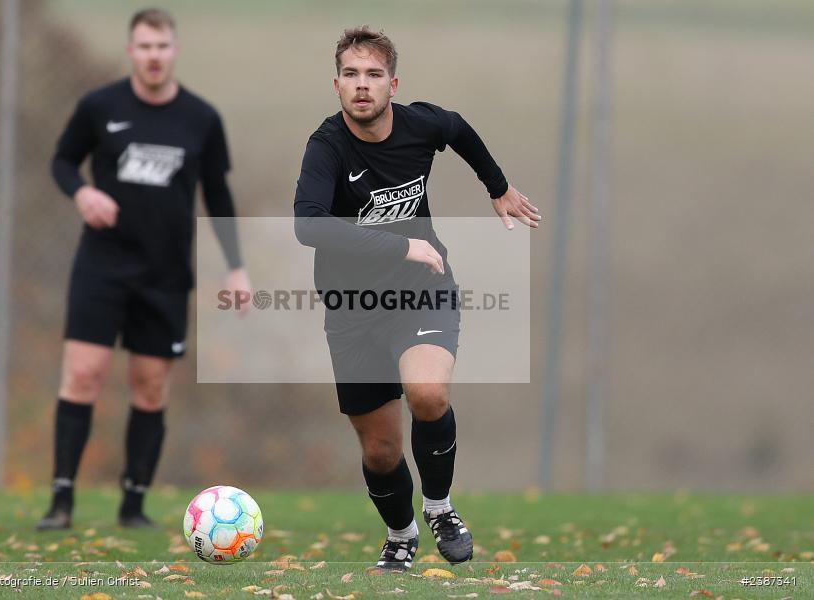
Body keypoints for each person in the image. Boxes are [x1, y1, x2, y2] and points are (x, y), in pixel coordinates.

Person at [293, 26, 540, 570]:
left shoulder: (420, 124)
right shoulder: (327, 147)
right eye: (352, 75)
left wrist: (497, 187)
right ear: (336, 85)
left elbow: (458, 130)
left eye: (374, 75)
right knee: (380, 450)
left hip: (422, 293)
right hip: (352, 311)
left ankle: (440, 508)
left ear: (393, 83)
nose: (363, 86)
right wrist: (398, 245)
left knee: (427, 393)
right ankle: (400, 535)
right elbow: (307, 227)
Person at [38, 7, 251, 530]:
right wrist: (83, 192)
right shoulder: (99, 106)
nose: (153, 56)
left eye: (162, 46)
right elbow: (62, 161)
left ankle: (133, 506)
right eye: (144, 46)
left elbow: (218, 195)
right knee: (83, 375)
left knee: (150, 387)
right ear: (131, 50)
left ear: (174, 50)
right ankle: (61, 501)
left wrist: (236, 268)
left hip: (165, 274)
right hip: (103, 266)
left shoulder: (201, 118)